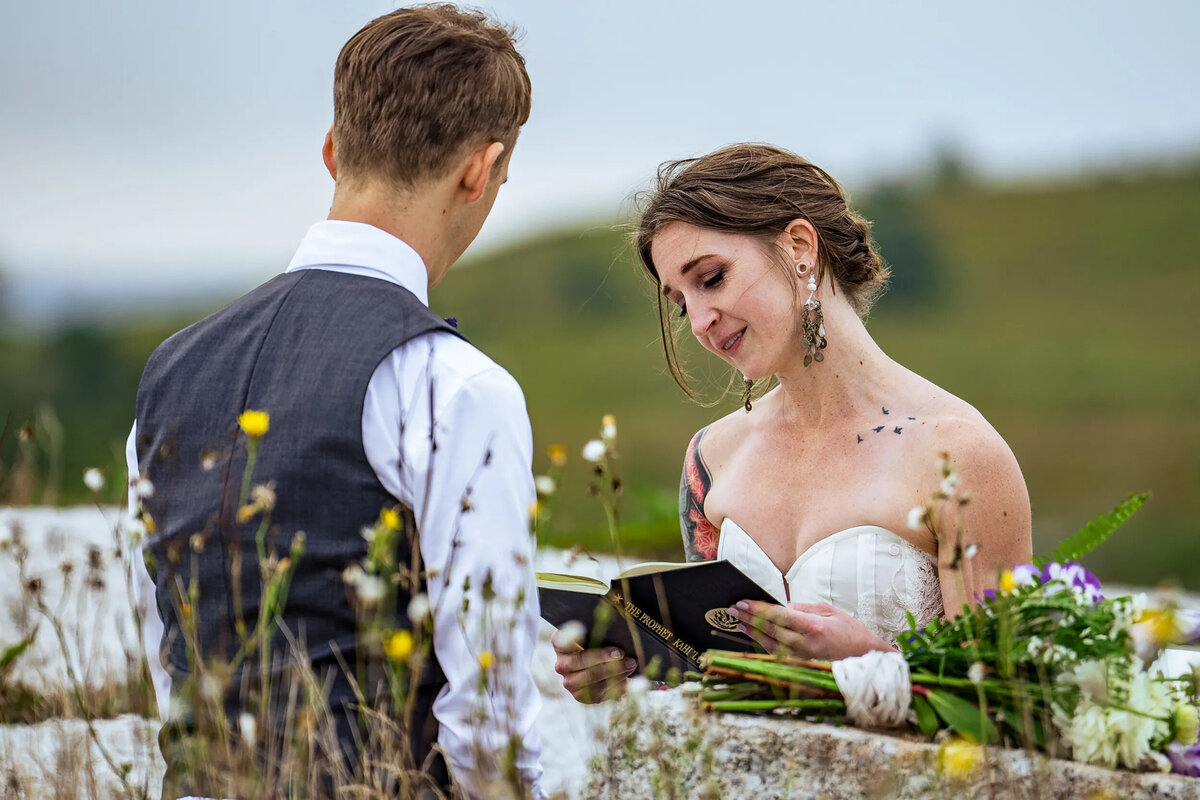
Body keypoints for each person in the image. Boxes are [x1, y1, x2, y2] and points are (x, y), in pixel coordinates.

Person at [127, 5, 545, 797]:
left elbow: (165, 648)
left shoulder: (167, 371)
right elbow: (491, 710)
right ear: (480, 171)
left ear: (331, 151)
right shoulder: (454, 385)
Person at [553, 143, 1032, 702]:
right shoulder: (712, 457)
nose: (701, 323)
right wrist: (631, 669)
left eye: (710, 278)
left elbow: (1006, 705)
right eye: (682, 303)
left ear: (800, 247)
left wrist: (869, 663)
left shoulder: (958, 454)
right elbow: (708, 673)